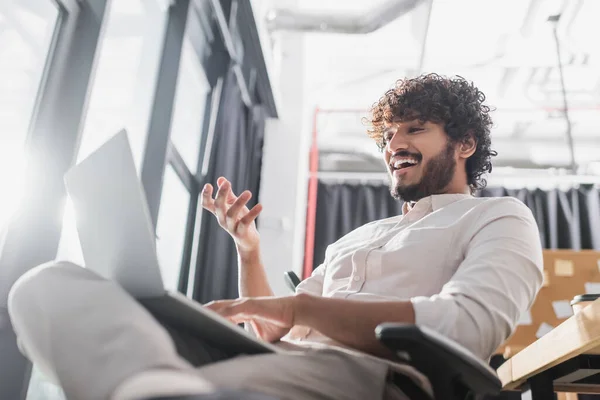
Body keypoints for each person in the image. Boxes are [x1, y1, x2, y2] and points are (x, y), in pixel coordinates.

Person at [8, 74, 543, 400]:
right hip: (276, 358)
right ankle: (164, 388)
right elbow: (268, 328)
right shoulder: (358, 238)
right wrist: (250, 249)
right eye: (388, 134)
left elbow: (468, 328)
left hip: (365, 377)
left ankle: (171, 388)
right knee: (47, 286)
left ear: (465, 143)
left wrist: (299, 310)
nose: (394, 144)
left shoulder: (499, 218)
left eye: (415, 129)